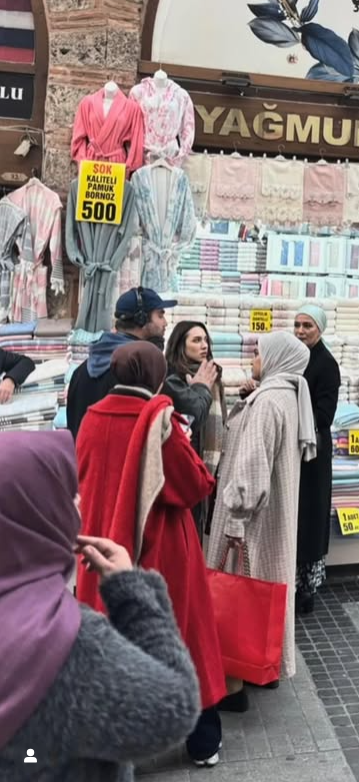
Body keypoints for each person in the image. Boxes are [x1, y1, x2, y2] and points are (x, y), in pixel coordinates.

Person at [0, 431, 201, 781]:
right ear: (36, 513)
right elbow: (175, 705)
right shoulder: (65, 644)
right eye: (65, 494)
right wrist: (131, 591)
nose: (78, 501)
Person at [75, 342, 226, 768]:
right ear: (156, 376)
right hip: (161, 545)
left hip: (102, 541)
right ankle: (203, 742)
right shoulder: (159, 421)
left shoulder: (92, 417)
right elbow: (193, 484)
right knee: (184, 635)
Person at [206, 332, 316, 708]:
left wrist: (235, 520)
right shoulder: (287, 396)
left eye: (259, 353)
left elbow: (251, 469)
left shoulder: (268, 402)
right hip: (271, 518)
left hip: (250, 520)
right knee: (264, 588)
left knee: (238, 594)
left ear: (276, 358)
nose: (254, 358)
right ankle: (262, 665)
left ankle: (233, 685)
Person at [66, 286, 176, 440]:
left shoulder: (81, 372)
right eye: (160, 315)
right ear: (142, 319)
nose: (165, 323)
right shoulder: (137, 374)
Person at [294, 304, 341, 615]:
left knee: (310, 521)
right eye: (297, 325)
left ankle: (306, 590)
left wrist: (291, 409)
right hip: (295, 451)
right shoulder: (295, 357)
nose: (300, 331)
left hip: (314, 455)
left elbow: (324, 416)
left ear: (320, 329)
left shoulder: (326, 364)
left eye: (307, 326)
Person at [163, 321, 227, 540]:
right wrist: (199, 389)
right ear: (181, 345)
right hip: (185, 465)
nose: (204, 345)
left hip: (204, 464)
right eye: (196, 340)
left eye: (206, 340)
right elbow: (193, 416)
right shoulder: (173, 378)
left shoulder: (212, 377)